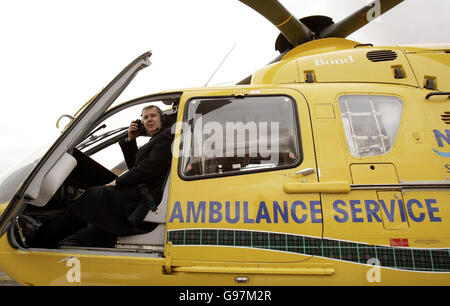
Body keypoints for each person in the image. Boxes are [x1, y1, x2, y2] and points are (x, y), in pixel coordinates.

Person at [28, 105, 173, 248]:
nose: (149, 120)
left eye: (153, 116)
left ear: (161, 118)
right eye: (145, 117)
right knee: (88, 200)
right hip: (139, 192)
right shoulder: (156, 139)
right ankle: (45, 229)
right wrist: (131, 139)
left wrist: (118, 181)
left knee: (89, 197)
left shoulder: (165, 136)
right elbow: (136, 167)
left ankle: (42, 238)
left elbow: (148, 169)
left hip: (141, 196)